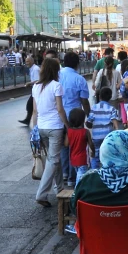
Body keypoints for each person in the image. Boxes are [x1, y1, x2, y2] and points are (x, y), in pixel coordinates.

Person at [31, 57, 68, 207]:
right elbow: (60, 109)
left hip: (41, 126)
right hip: (55, 127)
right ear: (55, 70)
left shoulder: (35, 87)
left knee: (54, 160)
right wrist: (67, 124)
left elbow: (35, 110)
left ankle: (59, 189)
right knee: (53, 160)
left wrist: (35, 129)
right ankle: (41, 194)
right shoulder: (56, 86)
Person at [59, 52, 91, 187]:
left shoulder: (56, 76)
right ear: (77, 64)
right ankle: (72, 177)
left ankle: (64, 173)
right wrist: (89, 116)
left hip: (58, 116)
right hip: (74, 118)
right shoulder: (79, 79)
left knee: (63, 146)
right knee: (75, 146)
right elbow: (84, 101)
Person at [85, 88, 120, 168]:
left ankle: (94, 172)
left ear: (99, 96)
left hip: (96, 137)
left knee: (96, 156)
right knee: (108, 155)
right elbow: (115, 122)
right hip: (107, 136)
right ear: (110, 97)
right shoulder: (111, 109)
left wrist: (88, 124)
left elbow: (89, 121)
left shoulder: (94, 108)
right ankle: (107, 171)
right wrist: (117, 132)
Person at [66, 108, 95, 186]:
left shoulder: (69, 131)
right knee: (80, 178)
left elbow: (66, 144)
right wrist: (93, 152)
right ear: (82, 120)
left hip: (73, 159)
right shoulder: (85, 132)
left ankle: (81, 189)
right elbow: (91, 144)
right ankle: (77, 192)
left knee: (79, 175)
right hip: (83, 159)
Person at [19, 55, 41, 125]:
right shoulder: (32, 69)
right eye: (26, 61)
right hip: (35, 89)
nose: (27, 63)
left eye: (28, 61)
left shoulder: (35, 69)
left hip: (37, 90)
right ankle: (27, 120)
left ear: (32, 61)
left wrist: (29, 83)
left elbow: (38, 80)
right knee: (30, 105)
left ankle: (30, 120)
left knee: (30, 105)